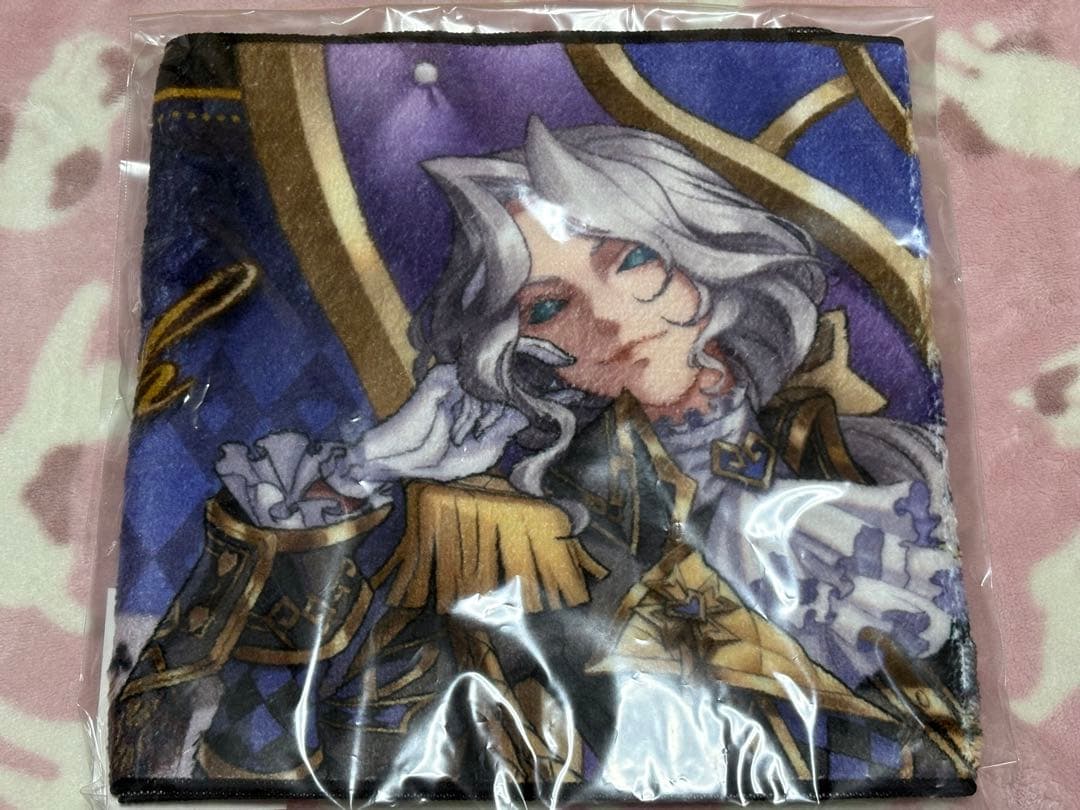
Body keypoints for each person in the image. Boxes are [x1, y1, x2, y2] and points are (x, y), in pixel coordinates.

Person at [193, 117, 977, 799]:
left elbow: (941, 737)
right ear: (523, 350)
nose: (606, 317)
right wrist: (361, 475)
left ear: (701, 256)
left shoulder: (880, 466)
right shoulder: (514, 535)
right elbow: (276, 759)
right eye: (547, 306)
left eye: (630, 259)